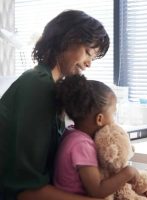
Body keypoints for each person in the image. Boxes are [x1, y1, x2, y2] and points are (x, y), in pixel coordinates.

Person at [0, 10, 110, 200]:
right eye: (88, 53)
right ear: (67, 40)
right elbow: (24, 191)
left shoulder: (50, 85)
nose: (89, 64)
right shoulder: (36, 86)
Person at [53, 74, 147, 199]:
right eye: (113, 113)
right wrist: (128, 172)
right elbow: (97, 190)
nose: (114, 120)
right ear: (100, 119)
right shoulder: (81, 145)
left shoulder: (71, 134)